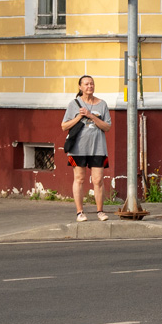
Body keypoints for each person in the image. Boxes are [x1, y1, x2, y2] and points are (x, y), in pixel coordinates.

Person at [63, 75, 113, 222]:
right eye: (86, 84)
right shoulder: (74, 104)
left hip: (98, 148)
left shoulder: (102, 104)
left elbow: (107, 127)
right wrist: (79, 117)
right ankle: (80, 212)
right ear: (80, 87)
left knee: (98, 180)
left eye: (91, 84)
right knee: (79, 179)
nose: (89, 86)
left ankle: (100, 211)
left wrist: (91, 116)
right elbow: (64, 126)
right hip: (78, 148)